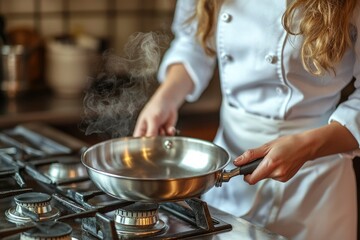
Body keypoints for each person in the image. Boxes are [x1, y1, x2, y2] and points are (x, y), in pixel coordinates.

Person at [133, 1, 360, 239]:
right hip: (232, 165)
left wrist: (308, 146)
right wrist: (166, 97)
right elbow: (193, 43)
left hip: (316, 182)